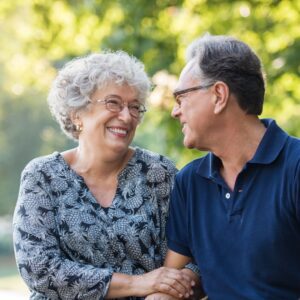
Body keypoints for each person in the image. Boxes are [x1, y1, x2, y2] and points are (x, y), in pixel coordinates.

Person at [13, 51, 198, 300]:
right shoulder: (42, 176)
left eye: (134, 107)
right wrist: (137, 284)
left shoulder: (160, 173)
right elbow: (39, 269)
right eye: (113, 103)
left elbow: (197, 257)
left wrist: (166, 295)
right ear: (77, 113)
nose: (126, 116)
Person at [165, 34, 300, 299]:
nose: (175, 111)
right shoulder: (190, 182)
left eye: (181, 97)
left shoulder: (295, 168)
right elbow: (175, 280)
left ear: (218, 95)